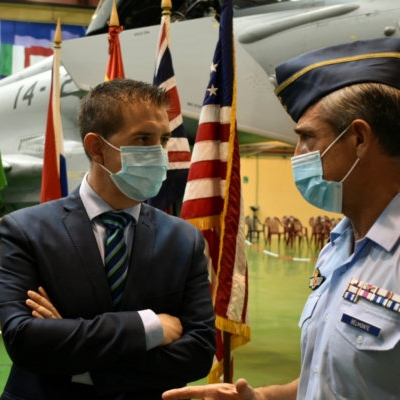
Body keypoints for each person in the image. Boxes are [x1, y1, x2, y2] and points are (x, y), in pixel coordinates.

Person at [163, 37, 400, 400]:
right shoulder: (339, 247)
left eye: (307, 138)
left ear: (359, 139)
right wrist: (262, 397)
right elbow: (327, 378)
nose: (297, 155)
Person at [0, 79, 216, 400]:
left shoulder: (184, 239)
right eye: (143, 138)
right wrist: (147, 327)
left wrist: (73, 351)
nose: (159, 153)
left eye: (163, 139)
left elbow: (198, 353)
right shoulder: (26, 230)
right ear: (96, 147)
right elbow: (24, 340)